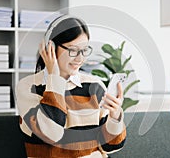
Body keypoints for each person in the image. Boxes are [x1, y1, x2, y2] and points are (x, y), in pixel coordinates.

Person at [16, 14, 126, 158]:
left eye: (85, 50)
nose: (80, 58)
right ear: (51, 48)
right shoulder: (28, 87)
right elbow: (51, 135)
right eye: (73, 50)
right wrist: (54, 78)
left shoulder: (94, 86)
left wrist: (115, 116)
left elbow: (110, 146)